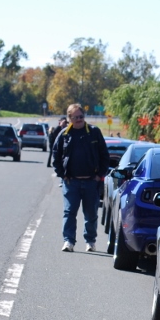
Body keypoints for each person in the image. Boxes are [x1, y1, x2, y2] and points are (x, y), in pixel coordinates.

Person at [52, 104, 109, 253]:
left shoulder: (94, 132)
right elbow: (55, 155)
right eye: (76, 117)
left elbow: (104, 155)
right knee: (69, 212)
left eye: (81, 117)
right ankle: (68, 241)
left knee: (91, 214)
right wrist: (62, 174)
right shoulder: (65, 134)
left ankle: (90, 241)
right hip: (72, 182)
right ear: (69, 118)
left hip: (91, 182)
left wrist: (99, 175)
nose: (79, 120)